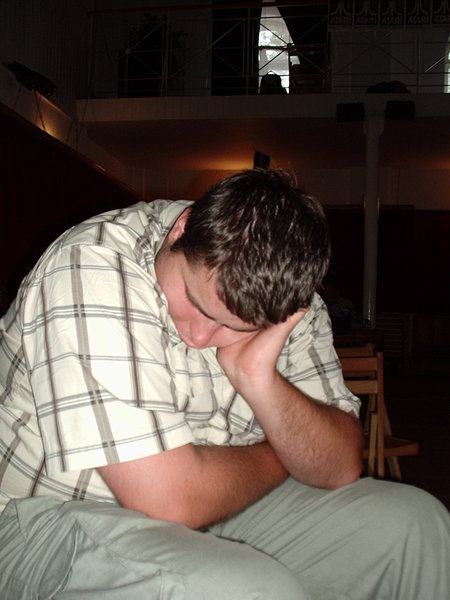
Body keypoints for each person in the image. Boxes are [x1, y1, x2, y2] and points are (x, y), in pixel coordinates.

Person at [0, 169, 448, 599]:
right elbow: (170, 500)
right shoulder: (91, 265)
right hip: (41, 518)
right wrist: (280, 453)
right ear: (182, 228)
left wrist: (259, 379)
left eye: (234, 327)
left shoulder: (286, 294)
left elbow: (340, 465)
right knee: (248, 590)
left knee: (416, 526)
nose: (199, 337)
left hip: (215, 505)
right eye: (194, 301)